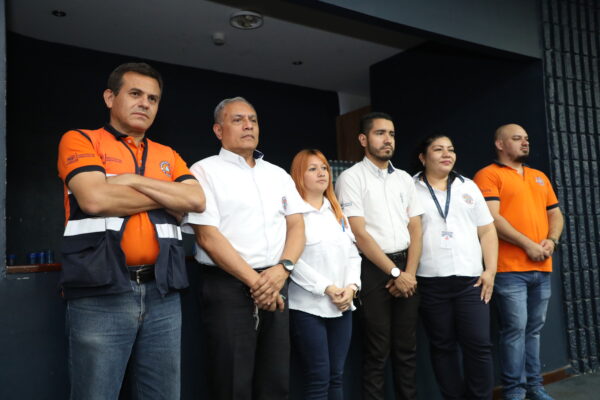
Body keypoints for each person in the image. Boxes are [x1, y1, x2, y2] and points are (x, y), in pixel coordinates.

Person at [57, 62, 205, 400]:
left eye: (153, 99)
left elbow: (196, 200)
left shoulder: (167, 154)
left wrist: (130, 181)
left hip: (163, 292)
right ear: (110, 98)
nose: (145, 103)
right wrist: (167, 195)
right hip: (100, 291)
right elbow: (94, 199)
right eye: (135, 94)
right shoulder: (81, 140)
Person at [182, 97, 308, 400]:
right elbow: (207, 236)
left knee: (276, 381)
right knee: (232, 382)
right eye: (237, 120)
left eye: (252, 119)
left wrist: (283, 269)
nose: (248, 125)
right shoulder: (203, 171)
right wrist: (259, 283)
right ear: (218, 130)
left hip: (276, 281)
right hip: (228, 286)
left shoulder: (277, 174)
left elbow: (297, 226)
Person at [335, 112, 424, 400]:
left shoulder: (404, 179)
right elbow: (359, 233)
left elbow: (416, 227)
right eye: (380, 133)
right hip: (373, 269)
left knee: (407, 349)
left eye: (392, 134)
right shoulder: (350, 178)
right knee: (377, 350)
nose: (388, 140)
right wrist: (395, 274)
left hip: (407, 266)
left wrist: (408, 273)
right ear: (363, 139)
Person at [474, 124, 564, 400]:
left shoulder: (539, 177)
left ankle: (534, 386)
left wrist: (552, 241)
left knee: (533, 331)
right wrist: (528, 245)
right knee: (514, 331)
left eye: (526, 138)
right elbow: (492, 219)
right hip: (509, 269)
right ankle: (514, 391)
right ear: (500, 144)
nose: (525, 143)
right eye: (516, 139)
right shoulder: (488, 175)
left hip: (541, 267)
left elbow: (556, 214)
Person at [413, 134, 498, 400]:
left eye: (450, 149)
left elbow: (487, 231)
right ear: (423, 157)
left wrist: (490, 271)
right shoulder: (409, 188)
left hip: (470, 282)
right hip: (430, 282)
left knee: (479, 346)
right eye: (438, 149)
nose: (446, 154)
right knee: (443, 347)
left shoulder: (468, 186)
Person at [288, 149, 361, 400]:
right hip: (307, 307)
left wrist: (351, 288)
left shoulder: (336, 212)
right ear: (299, 176)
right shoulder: (293, 214)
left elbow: (353, 255)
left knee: (336, 376)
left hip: (342, 305)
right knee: (318, 377)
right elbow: (292, 260)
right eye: (313, 169)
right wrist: (327, 288)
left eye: (324, 168)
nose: (321, 173)